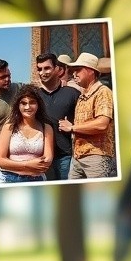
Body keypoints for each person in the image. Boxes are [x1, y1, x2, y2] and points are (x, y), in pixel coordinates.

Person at [58, 52, 116, 179]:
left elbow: (102, 124)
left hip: (97, 157)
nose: (74, 74)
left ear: (90, 71)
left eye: (78, 70)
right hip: (78, 157)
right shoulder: (82, 96)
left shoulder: (103, 92)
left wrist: (72, 128)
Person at [0, 84, 55, 183]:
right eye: (23, 103)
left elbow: (46, 162)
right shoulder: (10, 126)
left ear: (38, 104)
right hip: (7, 178)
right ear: (18, 105)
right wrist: (28, 164)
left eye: (32, 102)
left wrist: (14, 164)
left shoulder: (46, 128)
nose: (28, 107)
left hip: (36, 180)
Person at [35, 53, 80, 181]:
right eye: (39, 69)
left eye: (47, 68)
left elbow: (84, 121)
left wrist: (72, 127)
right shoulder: (34, 97)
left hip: (65, 157)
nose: (43, 72)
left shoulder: (72, 93)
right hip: (40, 157)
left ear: (57, 69)